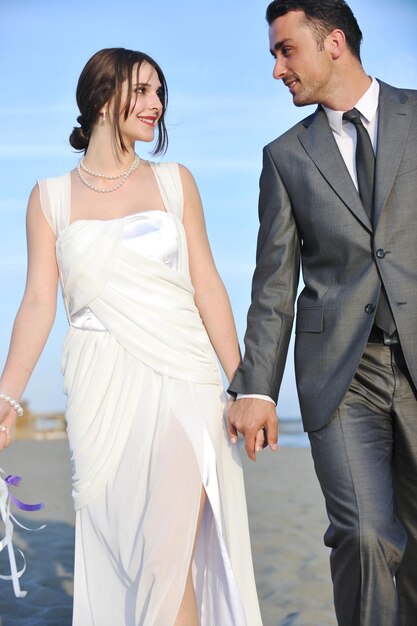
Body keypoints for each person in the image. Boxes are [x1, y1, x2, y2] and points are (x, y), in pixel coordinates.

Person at [0, 48, 263, 626]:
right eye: (141, 91)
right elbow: (39, 303)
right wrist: (6, 398)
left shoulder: (175, 183)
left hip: (183, 380)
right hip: (99, 391)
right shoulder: (48, 198)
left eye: (159, 92)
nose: (156, 105)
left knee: (164, 561)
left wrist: (249, 386)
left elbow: (209, 287)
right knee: (132, 559)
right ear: (101, 98)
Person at [227, 1, 417, 624]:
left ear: (334, 42)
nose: (278, 68)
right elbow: (273, 284)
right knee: (364, 534)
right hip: (342, 374)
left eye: (287, 50)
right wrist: (256, 388)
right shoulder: (285, 157)